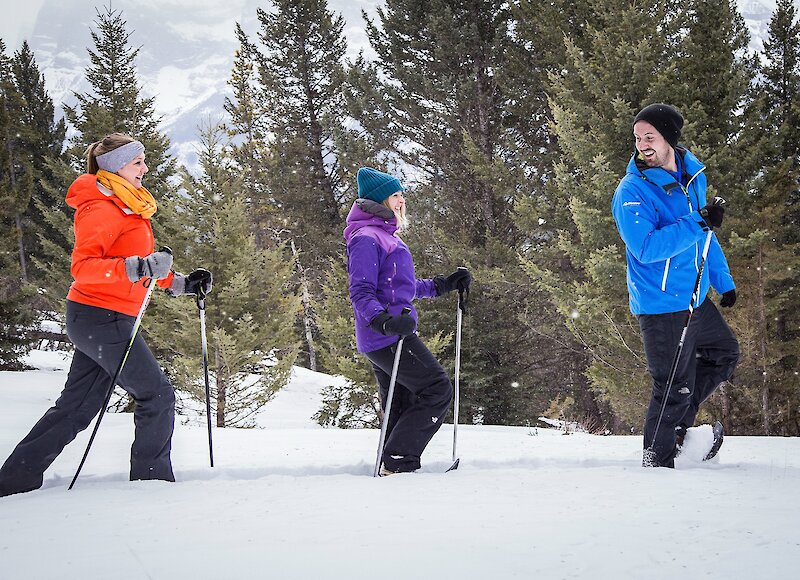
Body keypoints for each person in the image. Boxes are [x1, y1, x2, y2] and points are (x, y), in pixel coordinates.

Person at [0, 133, 212, 497]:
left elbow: (139, 264)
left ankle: (13, 481)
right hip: (101, 316)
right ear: (116, 167)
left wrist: (180, 283)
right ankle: (151, 484)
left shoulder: (127, 204)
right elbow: (84, 267)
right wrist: (141, 265)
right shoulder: (100, 207)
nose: (146, 168)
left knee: (78, 406)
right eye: (138, 163)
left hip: (104, 317)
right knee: (157, 395)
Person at [611, 104, 740, 468]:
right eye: (638, 138)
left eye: (649, 136)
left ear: (669, 138)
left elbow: (705, 237)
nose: (642, 144)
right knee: (670, 386)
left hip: (694, 297)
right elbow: (647, 248)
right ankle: (658, 461)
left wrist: (722, 279)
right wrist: (698, 223)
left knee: (724, 353)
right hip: (661, 302)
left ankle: (680, 429)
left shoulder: (691, 175)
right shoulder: (632, 191)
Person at [345, 167, 471, 475]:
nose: (402, 201)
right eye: (396, 195)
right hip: (387, 336)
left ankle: (391, 466)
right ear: (381, 200)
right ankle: (398, 460)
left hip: (387, 333)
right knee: (437, 389)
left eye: (402, 195)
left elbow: (399, 285)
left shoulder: (384, 236)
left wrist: (442, 285)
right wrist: (382, 321)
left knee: (401, 402)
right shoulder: (366, 237)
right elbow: (361, 289)